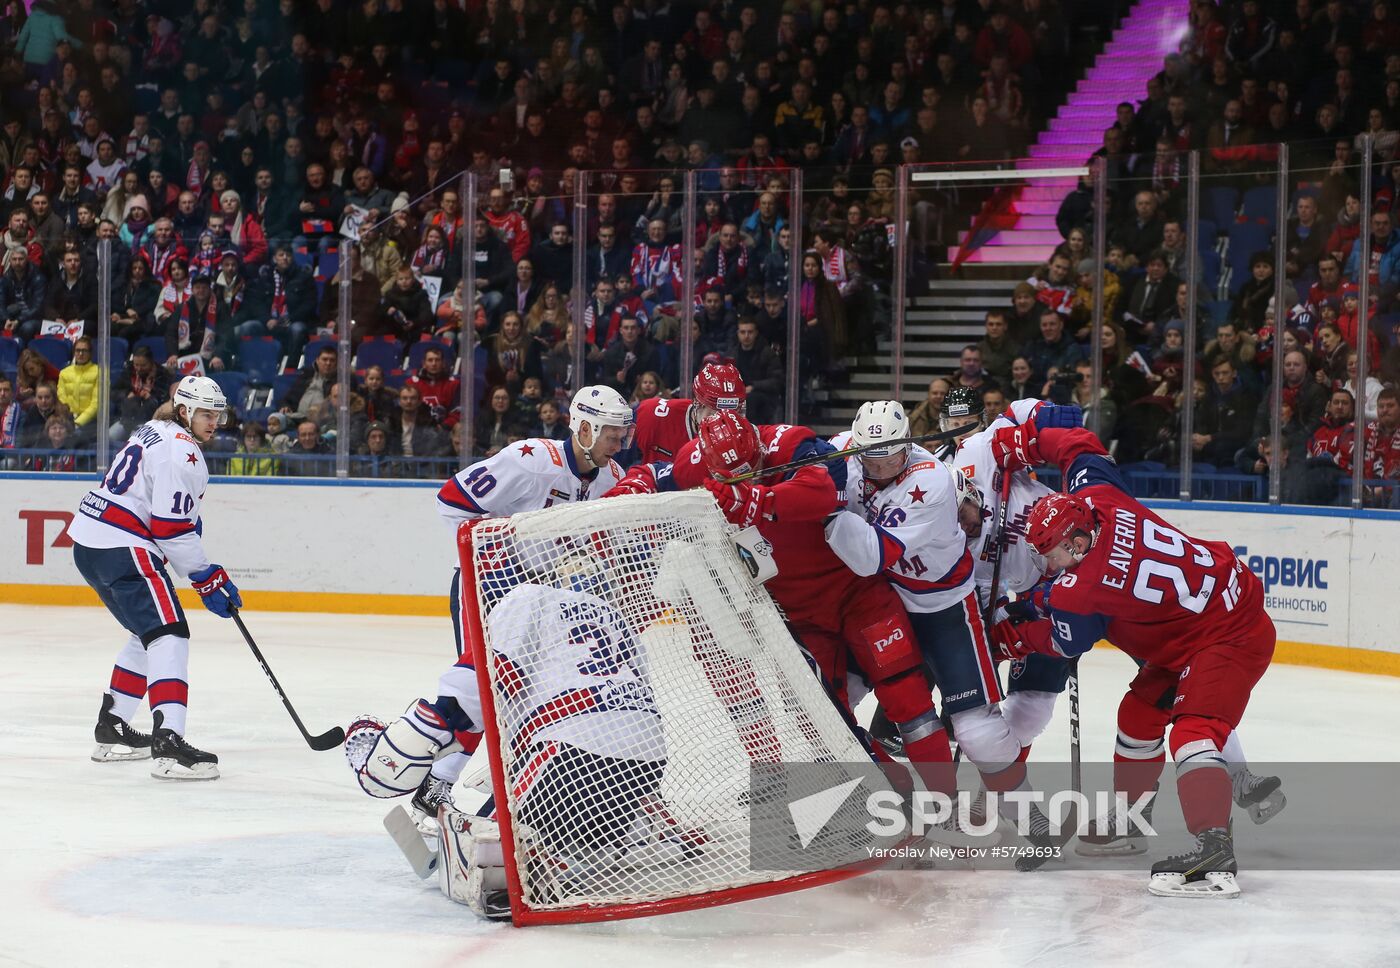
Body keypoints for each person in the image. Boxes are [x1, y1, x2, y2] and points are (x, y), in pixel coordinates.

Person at [609, 410, 961, 818]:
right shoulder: (697, 458)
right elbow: (655, 475)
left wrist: (760, 500)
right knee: (824, 725)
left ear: (759, 448)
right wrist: (631, 487)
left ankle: (946, 802)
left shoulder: (791, 442)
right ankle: (896, 796)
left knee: (909, 701)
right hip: (798, 620)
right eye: (734, 478)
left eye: (754, 471)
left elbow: (826, 489)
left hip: (858, 597)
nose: (748, 480)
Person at [986, 418, 1278, 897]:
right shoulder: (1100, 498)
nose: (1047, 565)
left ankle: (1214, 852)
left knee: (1194, 732)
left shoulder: (1082, 591)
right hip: (1200, 620)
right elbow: (1079, 445)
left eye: (1052, 555)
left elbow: (1062, 641)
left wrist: (1008, 636)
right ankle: (1132, 817)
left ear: (1077, 543)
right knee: (1138, 715)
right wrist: (1029, 439)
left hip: (1228, 636)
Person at [824, 400, 1061, 853]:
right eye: (871, 456)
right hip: (884, 603)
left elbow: (868, 555)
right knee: (837, 700)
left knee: (977, 731)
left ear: (908, 445)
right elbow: (811, 450)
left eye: (892, 455)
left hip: (946, 611)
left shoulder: (930, 481)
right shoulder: (847, 453)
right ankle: (851, 806)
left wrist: (829, 504)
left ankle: (1029, 817)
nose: (882, 465)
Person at [410, 386, 633, 824]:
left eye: (622, 434)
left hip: (545, 605)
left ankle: (511, 803)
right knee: (486, 693)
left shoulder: (612, 479)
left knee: (530, 704)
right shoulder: (530, 461)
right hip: (488, 588)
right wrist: (499, 561)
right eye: (610, 433)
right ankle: (436, 781)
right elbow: (452, 501)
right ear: (584, 428)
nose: (618, 443)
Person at [66, 375, 241, 780]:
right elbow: (170, 530)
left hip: (89, 543)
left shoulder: (155, 428)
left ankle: (112, 727)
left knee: (145, 633)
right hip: (123, 545)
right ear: (184, 412)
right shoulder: (188, 457)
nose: (213, 422)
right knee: (170, 634)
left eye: (217, 415)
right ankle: (170, 743)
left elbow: (162, 508)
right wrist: (206, 576)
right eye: (204, 414)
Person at [632, 361, 748, 463]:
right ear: (698, 403)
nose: (727, 418)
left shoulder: (745, 438)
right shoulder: (652, 415)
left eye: (734, 410)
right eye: (718, 410)